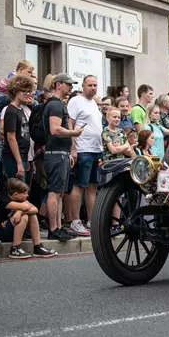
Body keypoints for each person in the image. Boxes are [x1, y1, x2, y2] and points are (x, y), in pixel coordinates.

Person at [44, 73, 82, 241]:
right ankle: (54, 229)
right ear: (58, 85)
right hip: (56, 155)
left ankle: (58, 227)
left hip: (61, 154)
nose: (71, 88)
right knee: (54, 192)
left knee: (59, 193)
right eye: (68, 84)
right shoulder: (55, 105)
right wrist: (74, 132)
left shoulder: (58, 104)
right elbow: (55, 129)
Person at [67, 75, 103, 235]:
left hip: (96, 149)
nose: (93, 88)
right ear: (83, 86)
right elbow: (70, 124)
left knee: (92, 187)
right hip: (83, 149)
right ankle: (75, 221)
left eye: (95, 85)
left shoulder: (94, 103)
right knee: (79, 185)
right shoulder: (75, 101)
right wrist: (73, 148)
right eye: (90, 85)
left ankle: (91, 220)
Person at [0, 178, 57, 259]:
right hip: (0, 232)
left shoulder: (22, 199)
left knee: (32, 216)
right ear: (16, 194)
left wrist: (20, 212)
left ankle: (37, 247)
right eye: (25, 193)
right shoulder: (4, 200)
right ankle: (15, 248)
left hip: (13, 230)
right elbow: (26, 206)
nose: (27, 195)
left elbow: (35, 210)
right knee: (25, 216)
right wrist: (23, 210)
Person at [1, 75, 34, 181]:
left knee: (22, 191)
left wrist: (26, 159)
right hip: (13, 158)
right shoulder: (11, 111)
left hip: (22, 157)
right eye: (24, 90)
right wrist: (19, 162)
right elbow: (11, 137)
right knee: (17, 191)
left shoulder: (20, 109)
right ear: (15, 91)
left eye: (28, 91)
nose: (27, 94)